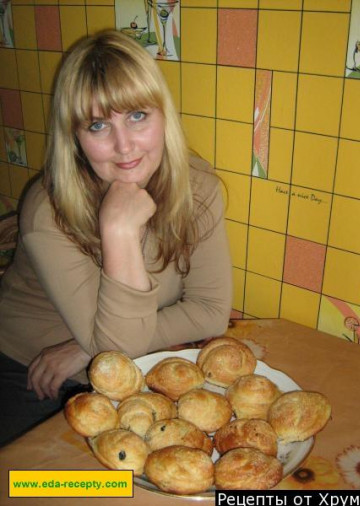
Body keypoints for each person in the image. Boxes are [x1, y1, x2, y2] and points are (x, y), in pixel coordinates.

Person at [0, 30, 232, 446]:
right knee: (47, 487)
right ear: (75, 136)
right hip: (33, 371)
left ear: (165, 115)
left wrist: (86, 346)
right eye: (98, 125)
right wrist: (120, 230)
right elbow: (120, 348)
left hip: (118, 359)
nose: (123, 146)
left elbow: (211, 310)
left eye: (138, 116)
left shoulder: (199, 189)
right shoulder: (47, 210)